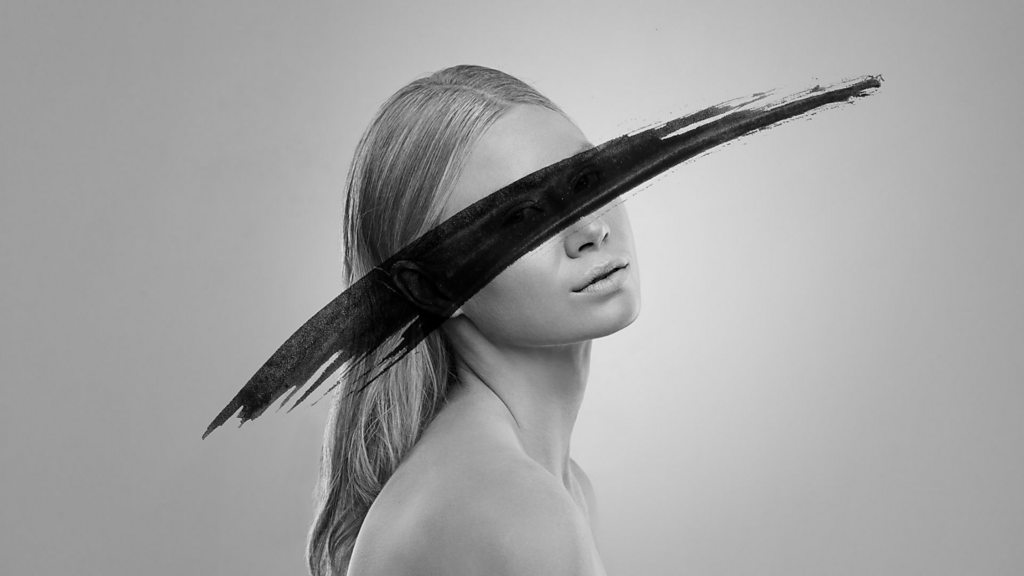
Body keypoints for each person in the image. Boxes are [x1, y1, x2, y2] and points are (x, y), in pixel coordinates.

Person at [307, 64, 641, 576]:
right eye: (520, 218)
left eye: (584, 179)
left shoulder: (551, 486)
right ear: (432, 288)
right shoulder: (518, 511)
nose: (590, 228)